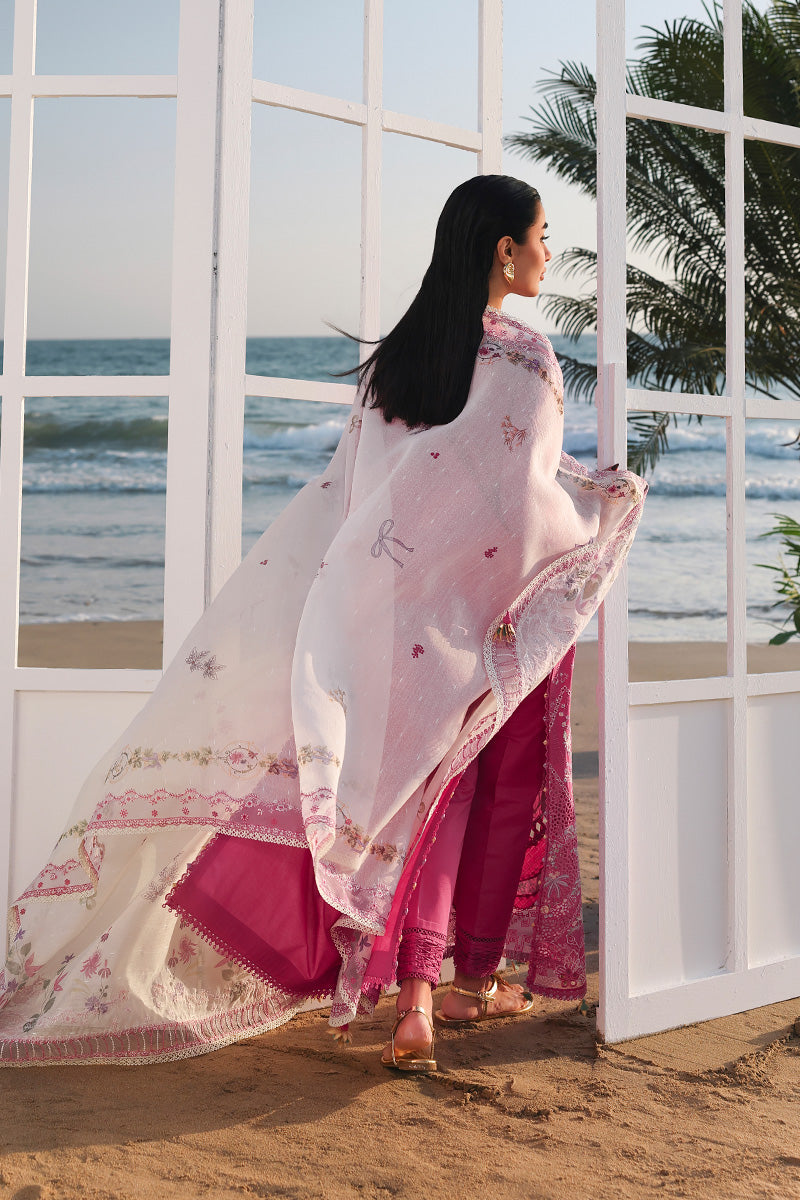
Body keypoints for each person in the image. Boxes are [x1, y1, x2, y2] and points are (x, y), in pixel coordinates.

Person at [0, 175, 646, 1072]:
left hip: (392, 617)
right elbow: (522, 504)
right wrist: (604, 496)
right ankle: (467, 983)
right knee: (493, 791)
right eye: (541, 234)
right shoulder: (527, 359)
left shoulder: (397, 357)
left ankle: (415, 1003)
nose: (548, 251)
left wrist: (361, 604)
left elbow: (366, 493)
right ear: (505, 250)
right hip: (481, 621)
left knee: (421, 800)